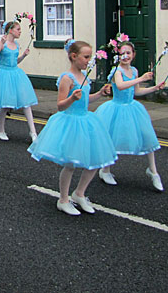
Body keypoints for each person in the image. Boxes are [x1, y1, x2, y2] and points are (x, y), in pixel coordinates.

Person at [28, 40, 116, 216]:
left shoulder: (84, 76)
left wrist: (99, 94)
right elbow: (60, 105)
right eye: (85, 57)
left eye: (90, 57)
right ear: (73, 56)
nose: (88, 60)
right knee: (71, 164)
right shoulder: (66, 78)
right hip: (70, 122)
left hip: (86, 121)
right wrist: (71, 99)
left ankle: (79, 193)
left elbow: (86, 99)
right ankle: (63, 199)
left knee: (94, 161)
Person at [95, 41, 166, 191]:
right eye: (122, 53)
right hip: (116, 108)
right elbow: (120, 86)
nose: (125, 56)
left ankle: (153, 171)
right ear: (118, 55)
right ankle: (105, 170)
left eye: (128, 53)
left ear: (133, 54)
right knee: (111, 139)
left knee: (147, 137)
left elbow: (137, 91)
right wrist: (142, 79)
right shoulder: (116, 71)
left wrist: (155, 87)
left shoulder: (134, 70)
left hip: (133, 108)